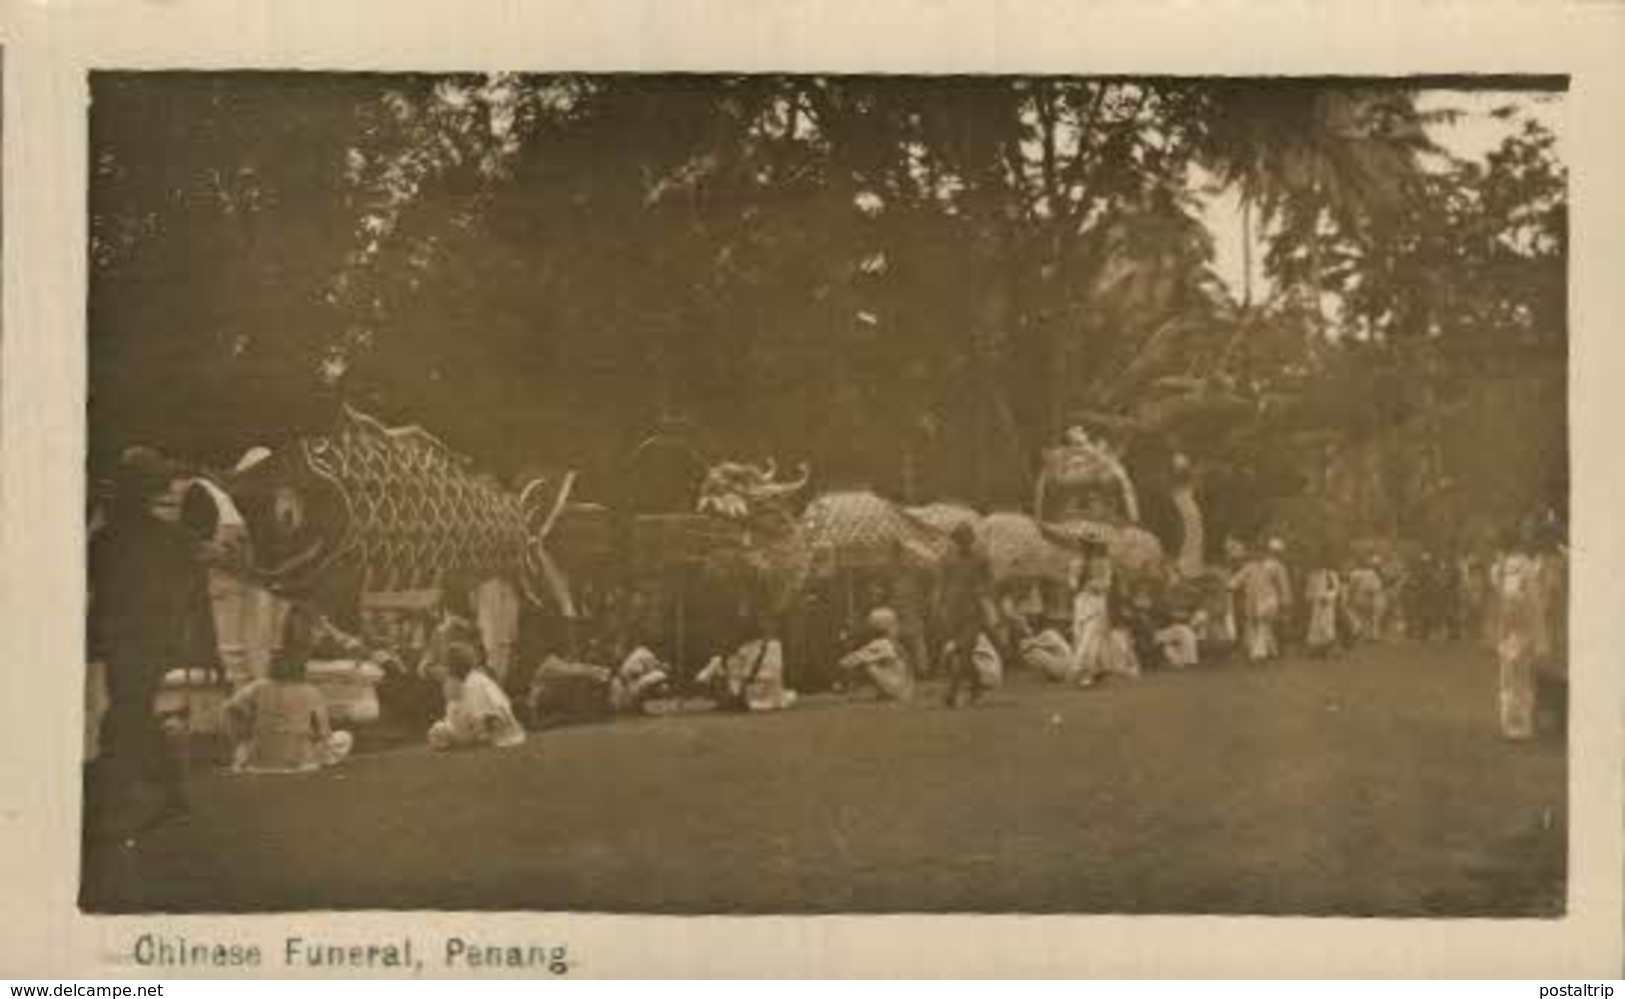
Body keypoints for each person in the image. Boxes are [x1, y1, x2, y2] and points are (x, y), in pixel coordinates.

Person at [87, 447, 219, 831]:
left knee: (126, 708)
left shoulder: (110, 539)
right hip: (149, 637)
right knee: (133, 707)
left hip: (128, 637)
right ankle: (167, 793)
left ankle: (116, 792)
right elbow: (192, 587)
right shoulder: (168, 538)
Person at [222, 605, 353, 773]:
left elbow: (228, 708)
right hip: (300, 763)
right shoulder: (311, 692)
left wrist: (241, 737)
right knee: (344, 738)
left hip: (258, 763)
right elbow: (324, 734)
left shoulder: (259, 686)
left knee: (252, 744)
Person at [428, 641, 527, 750]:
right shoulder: (460, 683)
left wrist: (465, 738)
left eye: (444, 665)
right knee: (437, 731)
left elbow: (489, 722)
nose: (441, 671)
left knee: (444, 734)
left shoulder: (476, 684)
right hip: (476, 729)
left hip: (495, 734)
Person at [938, 523, 995, 707]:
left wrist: (982, 592)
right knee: (964, 654)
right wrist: (940, 605)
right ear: (955, 541)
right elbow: (942, 585)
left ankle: (951, 692)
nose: (963, 542)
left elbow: (989, 584)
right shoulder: (948, 560)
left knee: (963, 651)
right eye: (959, 539)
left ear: (971, 540)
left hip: (973, 612)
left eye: (966, 538)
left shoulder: (981, 560)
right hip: (953, 612)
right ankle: (977, 684)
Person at [696, 615, 798, 712]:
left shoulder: (771, 646)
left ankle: (735, 699)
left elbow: (771, 675)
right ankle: (730, 699)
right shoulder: (727, 654)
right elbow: (701, 679)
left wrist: (743, 687)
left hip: (761, 693)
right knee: (717, 666)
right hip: (743, 690)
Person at [1231, 541, 1291, 664]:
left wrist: (1286, 600)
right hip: (1252, 600)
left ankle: (1258, 655)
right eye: (1255, 552)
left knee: (1262, 623)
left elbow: (1283, 584)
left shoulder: (1276, 566)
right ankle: (1271, 651)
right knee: (1255, 625)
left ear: (1266, 552)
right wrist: (1231, 585)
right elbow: (1239, 578)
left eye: (1261, 552)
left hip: (1268, 599)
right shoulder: (1250, 566)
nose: (1258, 555)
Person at [837, 608, 916, 702]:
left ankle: (853, 691)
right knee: (869, 662)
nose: (897, 627)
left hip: (897, 690)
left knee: (869, 666)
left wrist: (845, 645)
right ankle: (877, 693)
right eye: (895, 623)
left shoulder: (882, 644)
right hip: (906, 690)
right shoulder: (892, 643)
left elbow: (845, 663)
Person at [1304, 558, 1342, 657]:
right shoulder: (1312, 575)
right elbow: (1309, 589)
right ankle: (1317, 649)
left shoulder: (1330, 574)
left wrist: (1328, 597)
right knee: (1315, 626)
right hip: (1316, 603)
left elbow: (1335, 589)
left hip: (1327, 604)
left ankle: (1334, 649)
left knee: (1327, 625)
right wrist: (1309, 598)